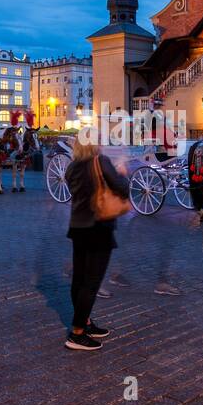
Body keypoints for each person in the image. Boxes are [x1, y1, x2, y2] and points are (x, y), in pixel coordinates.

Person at [63, 137, 130, 351]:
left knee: (79, 279)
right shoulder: (100, 161)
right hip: (98, 228)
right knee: (91, 283)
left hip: (78, 227)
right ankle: (77, 333)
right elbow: (122, 189)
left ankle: (86, 323)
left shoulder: (72, 167)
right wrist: (121, 174)